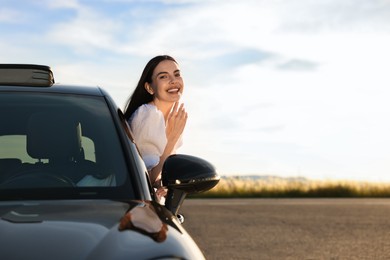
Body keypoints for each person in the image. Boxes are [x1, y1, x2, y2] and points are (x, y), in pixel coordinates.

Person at [124, 55, 187, 200]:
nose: (173, 81)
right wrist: (171, 139)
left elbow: (158, 175)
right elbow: (146, 178)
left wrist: (163, 183)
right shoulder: (146, 115)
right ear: (149, 87)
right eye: (163, 77)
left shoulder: (174, 118)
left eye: (177, 74)